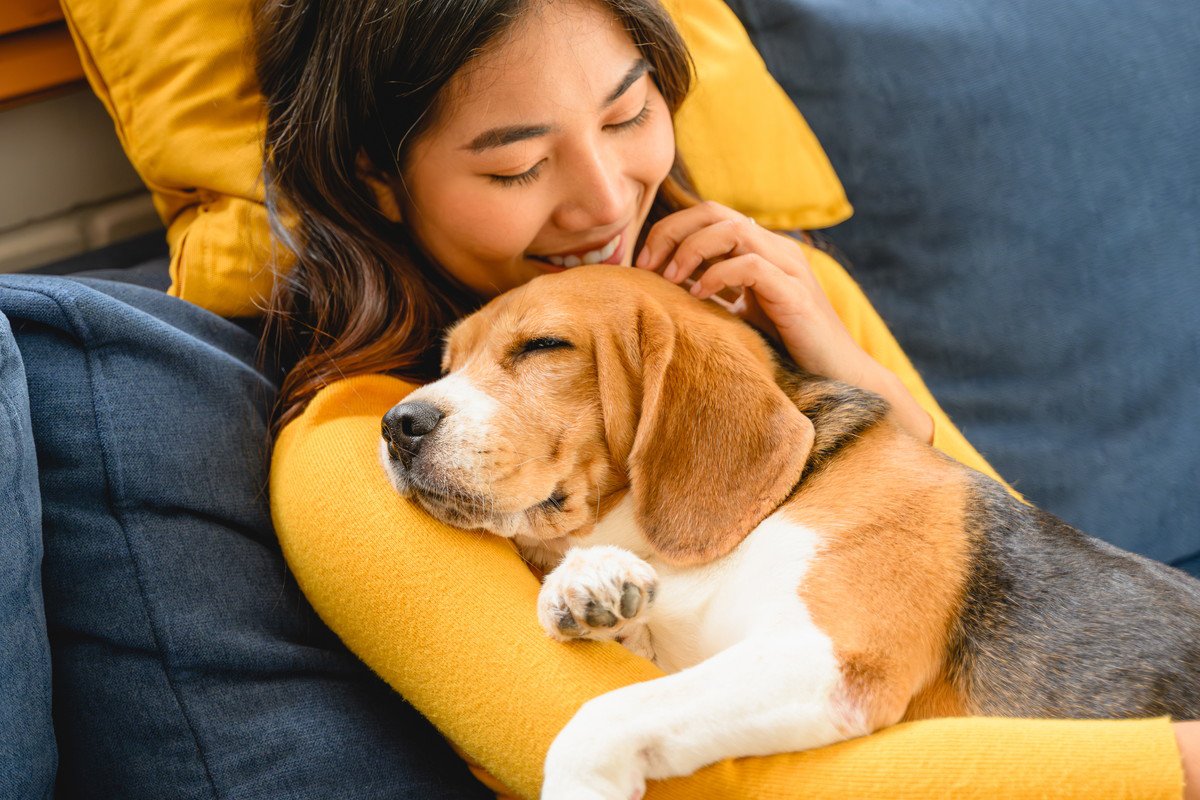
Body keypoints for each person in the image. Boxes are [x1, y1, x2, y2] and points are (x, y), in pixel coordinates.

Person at [253, 0, 1200, 796]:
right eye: (517, 165)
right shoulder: (355, 449)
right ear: (374, 177)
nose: (607, 200)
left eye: (627, 117)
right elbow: (677, 777)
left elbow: (1034, 577)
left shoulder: (774, 307)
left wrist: (845, 372)